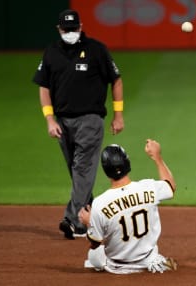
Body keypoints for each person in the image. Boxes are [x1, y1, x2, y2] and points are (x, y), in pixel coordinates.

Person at [32, 9, 125, 239]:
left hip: (90, 121)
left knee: (82, 169)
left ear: (81, 27)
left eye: (74, 28)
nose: (71, 33)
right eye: (67, 29)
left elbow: (116, 80)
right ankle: (91, 221)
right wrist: (50, 119)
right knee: (78, 174)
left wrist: (118, 115)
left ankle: (72, 221)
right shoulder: (51, 53)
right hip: (62, 122)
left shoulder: (96, 50)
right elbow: (44, 87)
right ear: (59, 29)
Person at [78, 139, 177, 274]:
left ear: (106, 170)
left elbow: (95, 243)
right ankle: (153, 262)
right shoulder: (148, 187)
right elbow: (170, 187)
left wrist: (90, 223)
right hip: (148, 259)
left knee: (93, 254)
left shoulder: (100, 203)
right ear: (127, 164)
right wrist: (157, 157)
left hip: (117, 266)